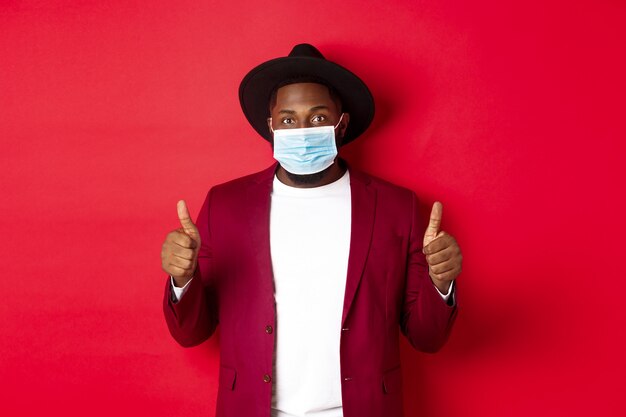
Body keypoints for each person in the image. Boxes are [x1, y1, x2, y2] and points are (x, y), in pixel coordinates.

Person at [161, 43, 462, 417]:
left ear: (342, 124)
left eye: (318, 118)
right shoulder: (225, 205)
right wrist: (182, 280)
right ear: (270, 127)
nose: (302, 130)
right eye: (288, 120)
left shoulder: (396, 207)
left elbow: (427, 338)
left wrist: (441, 283)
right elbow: (192, 333)